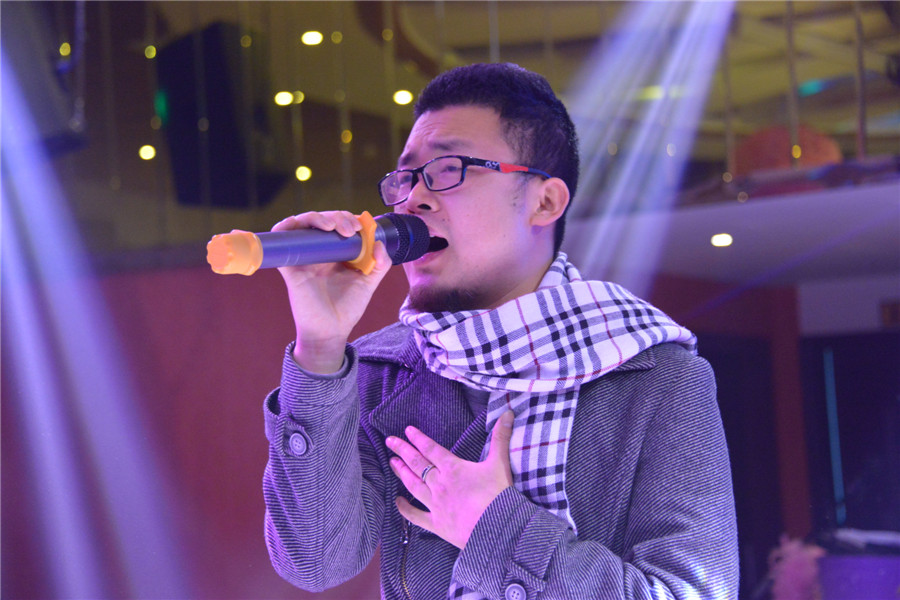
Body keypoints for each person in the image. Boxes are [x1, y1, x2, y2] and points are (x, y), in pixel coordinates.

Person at [262, 63, 739, 599]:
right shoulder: (382, 370)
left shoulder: (658, 377)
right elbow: (314, 562)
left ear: (544, 201)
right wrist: (320, 347)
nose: (412, 199)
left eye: (449, 169)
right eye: (406, 177)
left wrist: (494, 528)